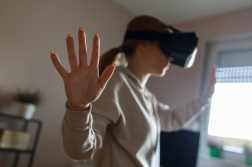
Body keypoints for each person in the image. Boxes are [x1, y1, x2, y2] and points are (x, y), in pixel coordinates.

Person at [50, 15, 214, 167]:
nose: (171, 57)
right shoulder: (115, 84)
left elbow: (172, 119)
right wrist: (78, 108)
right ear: (143, 45)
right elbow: (80, 151)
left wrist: (205, 98)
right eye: (166, 48)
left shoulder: (147, 97)